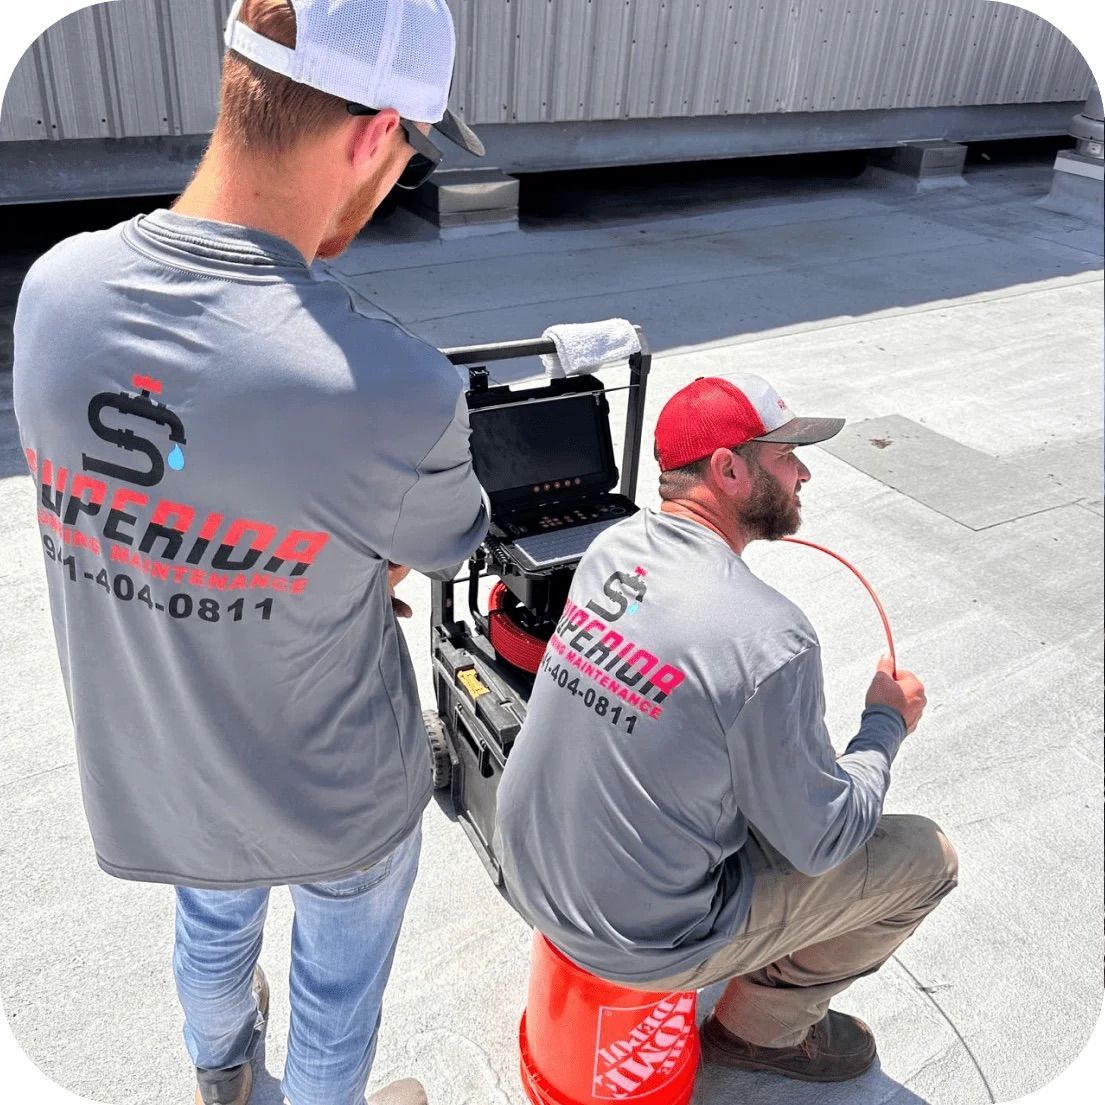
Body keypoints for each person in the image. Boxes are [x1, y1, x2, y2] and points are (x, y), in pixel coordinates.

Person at [12, 2, 489, 1103]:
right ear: (377, 135)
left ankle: (220, 1077)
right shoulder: (398, 385)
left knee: (211, 937)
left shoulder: (54, 294)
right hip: (336, 798)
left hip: (165, 775)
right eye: (408, 156)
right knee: (335, 998)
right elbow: (426, 548)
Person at [494, 375, 958, 1083]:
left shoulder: (612, 548)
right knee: (927, 856)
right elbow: (821, 840)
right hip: (639, 941)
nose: (802, 471)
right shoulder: (770, 637)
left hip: (528, 873)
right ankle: (761, 1033)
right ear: (728, 469)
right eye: (786, 454)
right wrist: (884, 723)